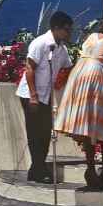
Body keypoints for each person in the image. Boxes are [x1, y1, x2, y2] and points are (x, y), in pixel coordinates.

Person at [54, 15, 103, 190]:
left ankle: (90, 169)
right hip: (95, 75)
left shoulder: (92, 37)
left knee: (87, 126)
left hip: (78, 74)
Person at [15, 11, 73, 183]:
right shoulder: (40, 43)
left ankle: (36, 170)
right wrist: (33, 96)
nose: (69, 33)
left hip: (46, 96)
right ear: (55, 28)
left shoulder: (62, 49)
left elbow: (68, 68)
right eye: (66, 30)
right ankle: (39, 170)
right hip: (30, 95)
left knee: (45, 134)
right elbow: (29, 68)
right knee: (34, 133)